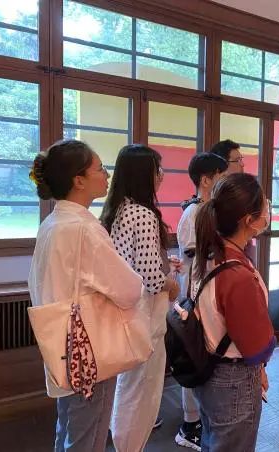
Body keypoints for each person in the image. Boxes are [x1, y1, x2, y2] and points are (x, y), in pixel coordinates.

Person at [27, 139, 143, 452]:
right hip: (88, 348)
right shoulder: (85, 228)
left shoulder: (52, 223)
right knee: (88, 435)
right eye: (100, 168)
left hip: (61, 343)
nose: (106, 174)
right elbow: (129, 290)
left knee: (68, 426)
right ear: (78, 180)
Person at [100, 144, 180, 452]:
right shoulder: (144, 214)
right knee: (142, 392)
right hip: (145, 316)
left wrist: (162, 266)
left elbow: (132, 264)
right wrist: (171, 283)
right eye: (157, 170)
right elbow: (151, 278)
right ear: (143, 175)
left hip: (125, 313)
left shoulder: (117, 210)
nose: (161, 176)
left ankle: (124, 442)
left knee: (128, 387)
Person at [191, 173, 275, 452]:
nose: (267, 211)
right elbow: (255, 344)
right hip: (233, 382)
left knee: (213, 441)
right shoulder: (237, 275)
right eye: (264, 206)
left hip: (210, 371)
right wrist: (260, 363)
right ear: (249, 220)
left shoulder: (209, 255)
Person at [174, 153, 228, 450]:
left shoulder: (209, 210)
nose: (225, 180)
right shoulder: (193, 213)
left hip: (208, 293)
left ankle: (202, 419)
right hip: (194, 295)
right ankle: (189, 424)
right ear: (206, 180)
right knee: (193, 357)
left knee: (206, 356)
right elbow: (195, 254)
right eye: (221, 175)